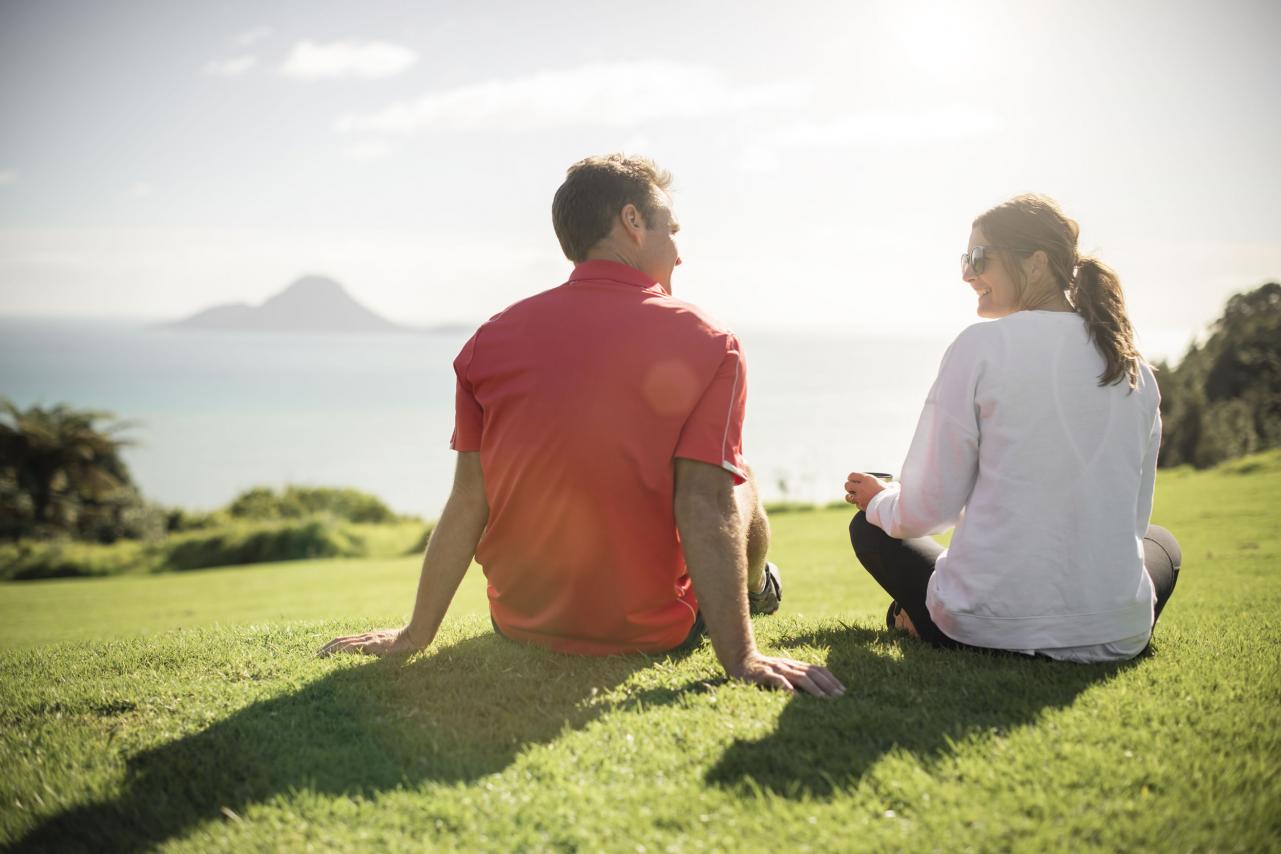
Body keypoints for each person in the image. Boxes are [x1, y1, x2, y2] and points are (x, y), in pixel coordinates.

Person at [322, 154, 843, 697]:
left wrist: (415, 634)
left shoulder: (488, 339)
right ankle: (760, 590)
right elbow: (704, 502)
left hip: (520, 624)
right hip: (651, 630)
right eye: (671, 229)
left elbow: (468, 498)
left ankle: (753, 588)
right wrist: (743, 657)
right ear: (632, 223)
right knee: (740, 478)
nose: (679, 253)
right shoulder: (710, 341)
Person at [844, 194, 1181, 662]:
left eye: (979, 258)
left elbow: (926, 512)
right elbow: (1130, 519)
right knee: (1161, 542)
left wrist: (880, 498)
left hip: (982, 628)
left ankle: (917, 618)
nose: (967, 273)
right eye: (965, 259)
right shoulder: (1134, 369)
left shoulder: (979, 348)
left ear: (1037, 263)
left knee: (871, 526)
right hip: (1116, 632)